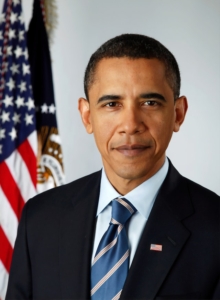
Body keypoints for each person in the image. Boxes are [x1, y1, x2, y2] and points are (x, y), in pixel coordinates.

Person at [6, 34, 220, 300]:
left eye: (150, 103)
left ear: (178, 113)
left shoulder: (215, 229)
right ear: (87, 116)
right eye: (112, 104)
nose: (130, 124)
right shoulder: (39, 220)